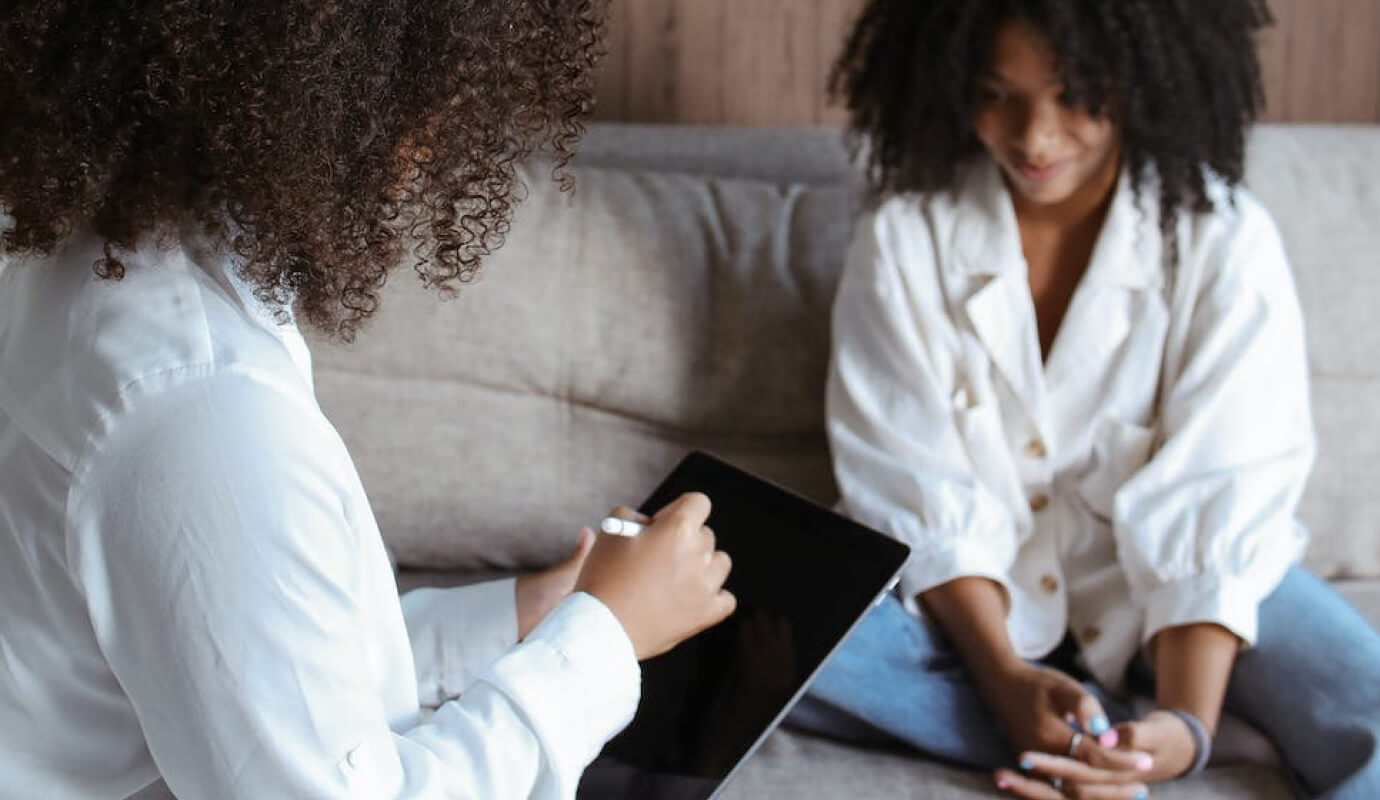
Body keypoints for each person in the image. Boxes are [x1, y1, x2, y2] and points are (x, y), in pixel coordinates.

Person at [0, 2, 735, 798]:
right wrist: (606, 638)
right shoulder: (204, 417)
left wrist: (528, 614)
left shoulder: (85, 267)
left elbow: (267, 669)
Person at [788, 1, 1380, 798]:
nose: (1034, 137)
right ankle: (1073, 732)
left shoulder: (1223, 240)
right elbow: (914, 486)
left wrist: (1184, 730)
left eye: (1076, 94)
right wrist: (1003, 679)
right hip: (962, 622)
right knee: (760, 623)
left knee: (1368, 702)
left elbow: (1222, 493)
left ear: (1144, 79)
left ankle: (1109, 735)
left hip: (1168, 611)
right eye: (997, 94)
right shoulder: (905, 237)